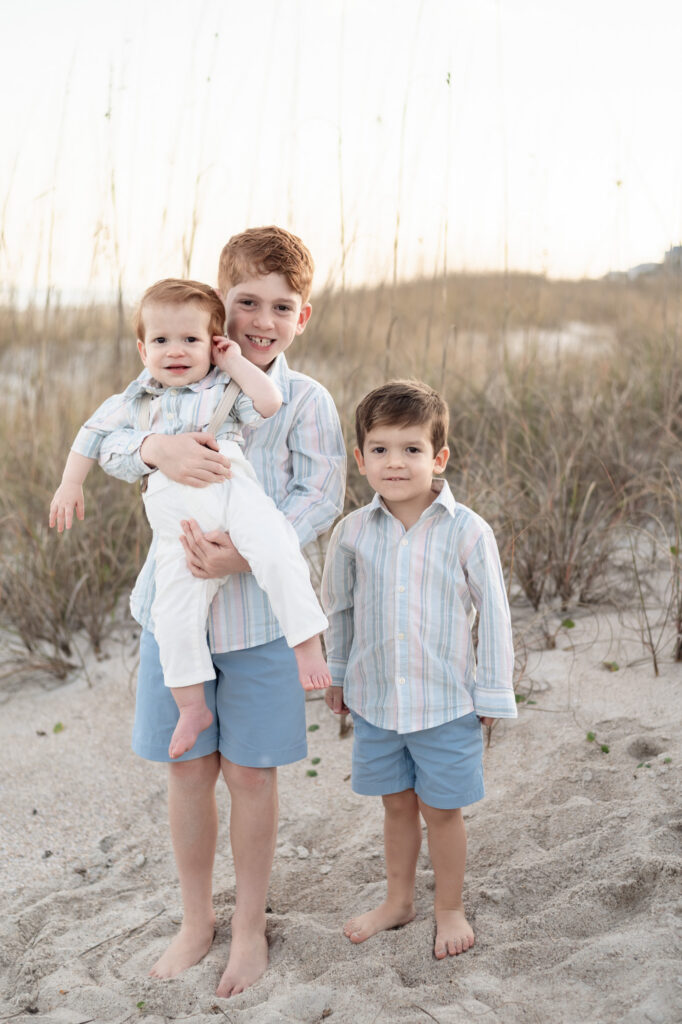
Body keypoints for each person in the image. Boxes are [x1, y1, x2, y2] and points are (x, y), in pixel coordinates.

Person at [69, 228, 346, 997]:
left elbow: (319, 494)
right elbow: (112, 444)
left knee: (251, 777)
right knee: (188, 769)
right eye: (245, 301)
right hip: (175, 616)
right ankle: (197, 919)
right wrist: (155, 452)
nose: (260, 319)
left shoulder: (307, 400)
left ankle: (248, 924)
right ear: (219, 303)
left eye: (279, 306)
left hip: (258, 622)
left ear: (302, 316)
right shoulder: (164, 378)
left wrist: (246, 552)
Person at [49, 278, 331, 761]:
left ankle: (305, 641)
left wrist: (234, 362)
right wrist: (71, 482)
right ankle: (191, 705)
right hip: (179, 529)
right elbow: (93, 436)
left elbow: (269, 403)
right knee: (174, 613)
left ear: (213, 342)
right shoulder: (133, 401)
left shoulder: (224, 385)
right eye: (160, 341)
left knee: (277, 549)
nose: (175, 351)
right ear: (142, 348)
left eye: (191, 341)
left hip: (233, 491)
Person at [321, 379, 516, 960]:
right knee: (397, 804)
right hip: (377, 701)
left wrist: (493, 692)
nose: (395, 462)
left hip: (446, 703)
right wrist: (336, 674)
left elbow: (496, 616)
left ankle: (448, 907)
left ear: (439, 458)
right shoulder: (352, 533)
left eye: (411, 449)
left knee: (442, 809)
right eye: (379, 449)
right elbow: (341, 608)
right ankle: (399, 899)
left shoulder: (466, 530)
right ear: (360, 459)